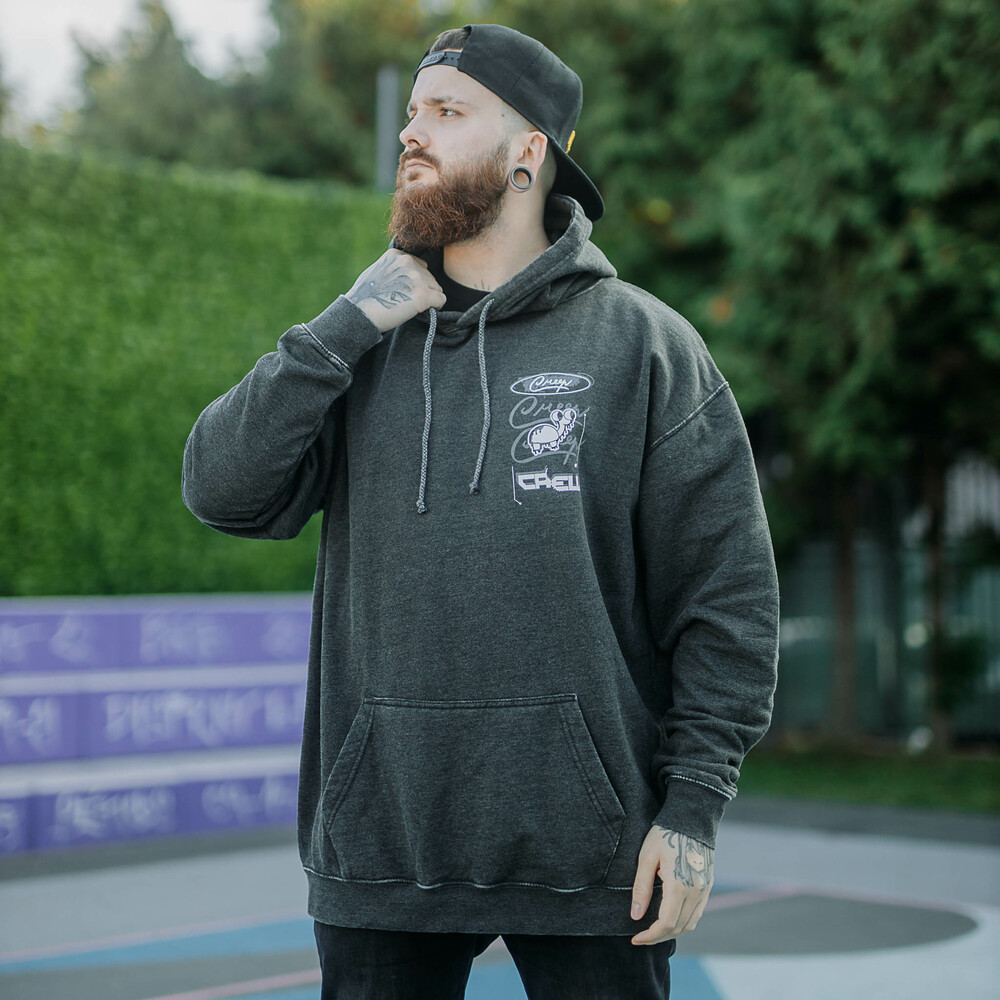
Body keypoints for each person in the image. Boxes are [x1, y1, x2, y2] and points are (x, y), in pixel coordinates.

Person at [182, 22, 780, 1000]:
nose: (411, 132)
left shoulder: (645, 346)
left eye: (447, 111)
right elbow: (219, 489)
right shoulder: (360, 343)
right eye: (413, 112)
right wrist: (344, 324)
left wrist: (694, 807)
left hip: (595, 851)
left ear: (527, 152)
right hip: (382, 850)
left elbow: (727, 601)